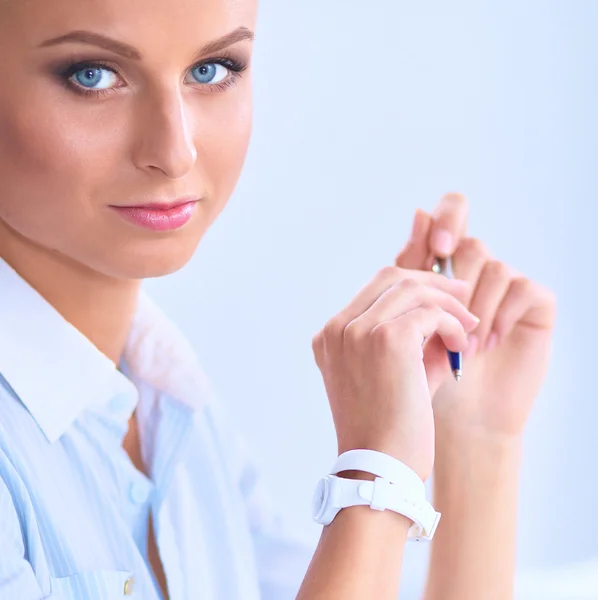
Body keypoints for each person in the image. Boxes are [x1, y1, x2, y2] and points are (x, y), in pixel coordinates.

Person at [0, 0, 556, 598]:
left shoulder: (173, 409)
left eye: (212, 69)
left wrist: (475, 444)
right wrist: (377, 477)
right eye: (92, 75)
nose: (175, 149)